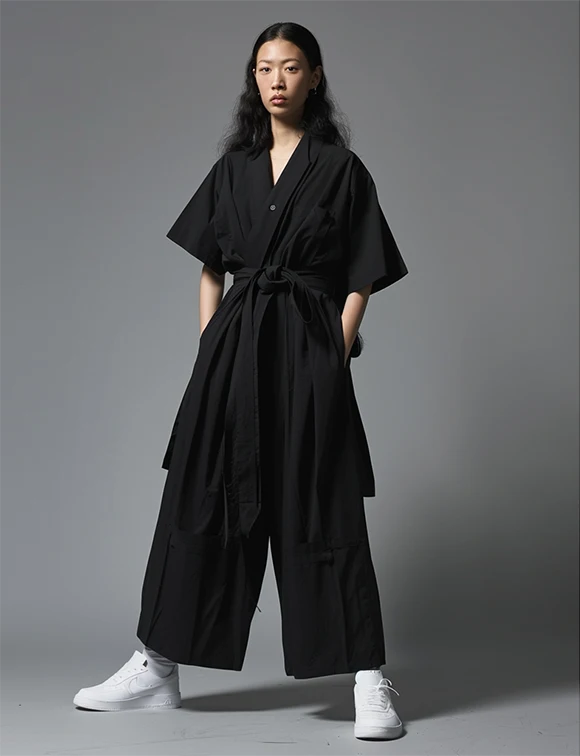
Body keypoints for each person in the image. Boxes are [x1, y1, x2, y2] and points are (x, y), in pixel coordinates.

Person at [72, 22, 409, 742]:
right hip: (232, 348)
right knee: (199, 496)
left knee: (323, 503)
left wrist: (333, 351)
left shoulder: (342, 168)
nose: (277, 80)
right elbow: (209, 267)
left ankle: (367, 678)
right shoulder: (232, 168)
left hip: (308, 347)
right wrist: (211, 345)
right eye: (264, 68)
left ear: (315, 77)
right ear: (253, 79)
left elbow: (362, 274)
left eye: (291, 68)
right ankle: (157, 664)